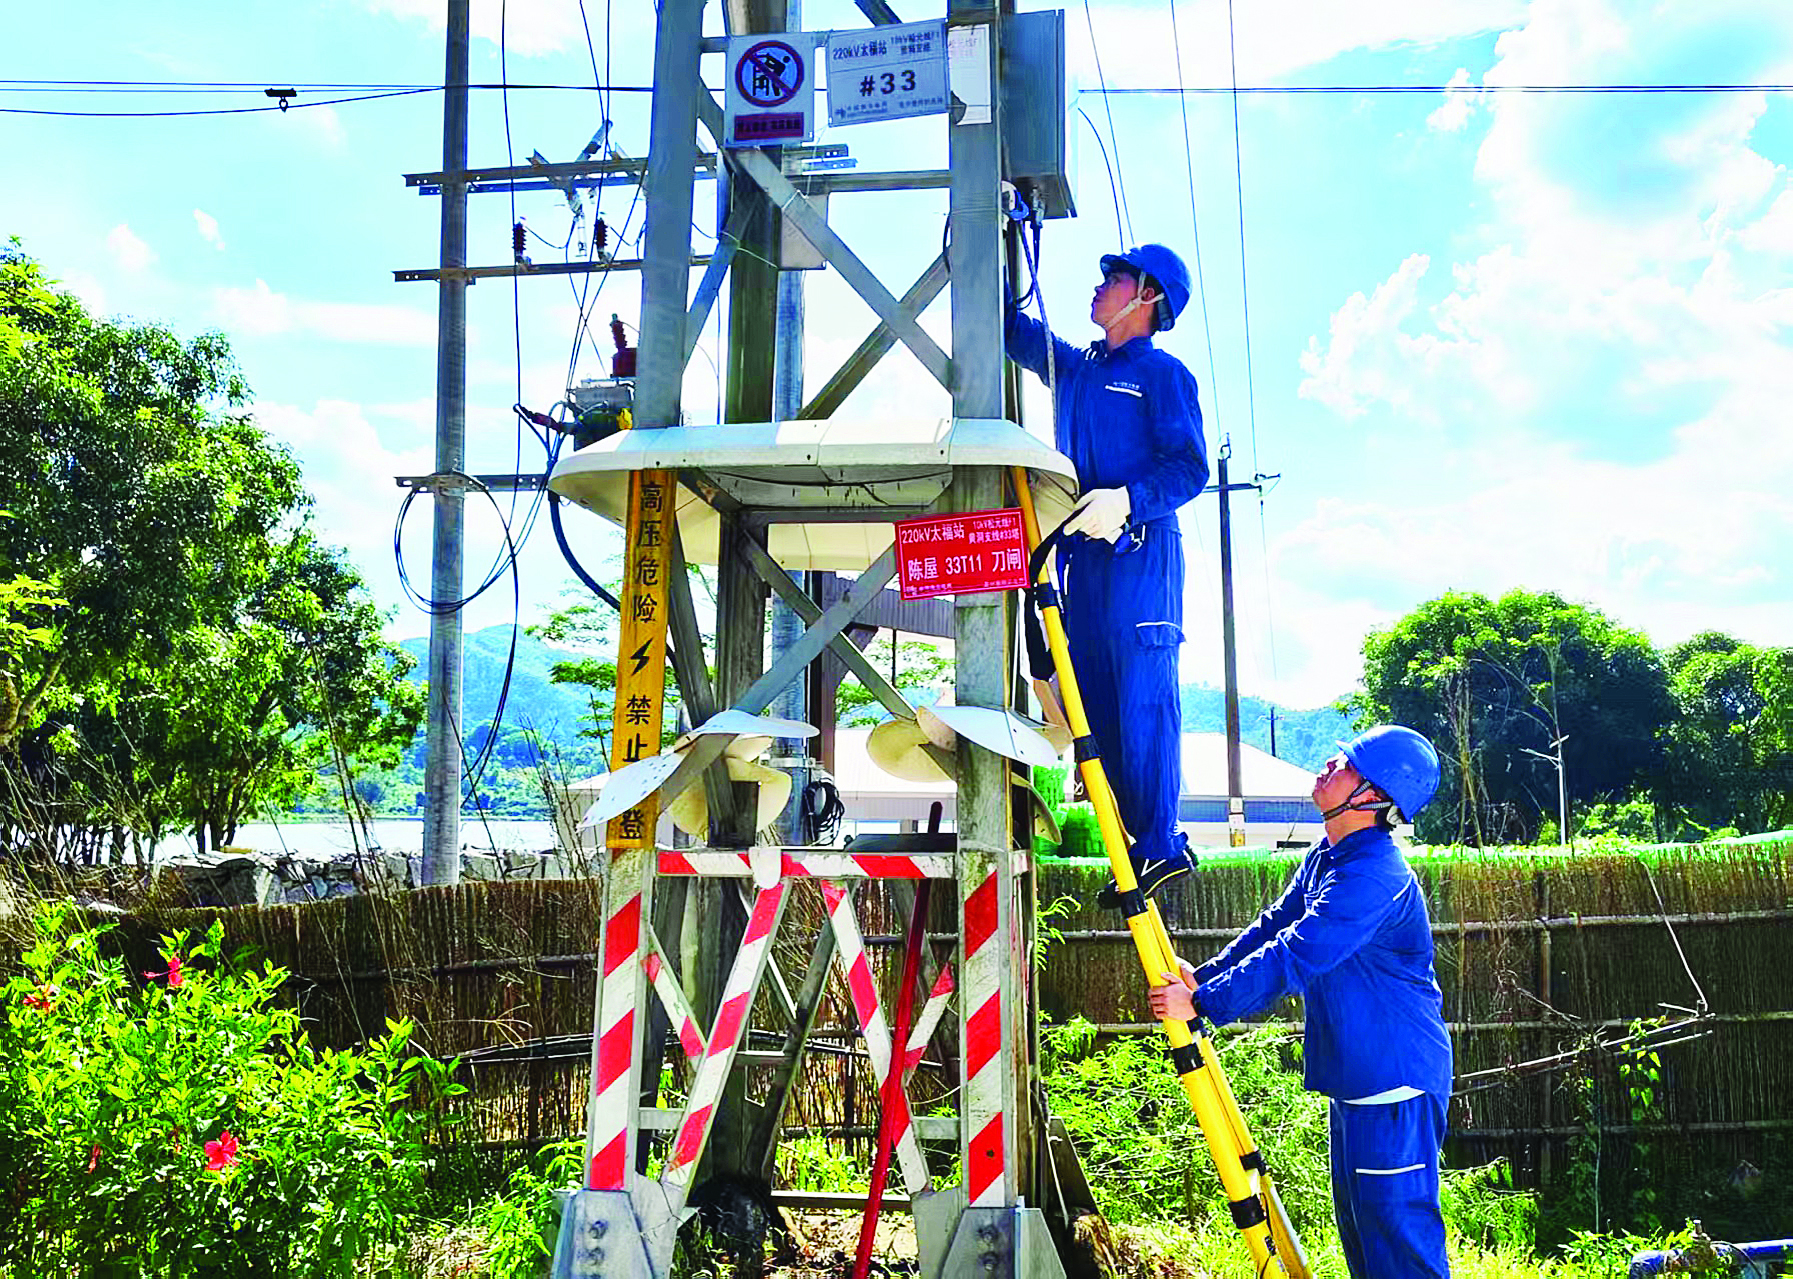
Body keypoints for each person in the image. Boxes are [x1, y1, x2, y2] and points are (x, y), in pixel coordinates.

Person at [1149, 725, 1452, 1279]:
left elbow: (1299, 954)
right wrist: (1205, 980)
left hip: (1395, 1080)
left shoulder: (1375, 874)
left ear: (1374, 797)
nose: (1329, 766)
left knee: (1400, 1244)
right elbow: (1277, 924)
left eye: (1348, 766)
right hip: (1358, 1081)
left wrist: (1207, 1004)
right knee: (1364, 1241)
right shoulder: (1330, 854)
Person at [1006, 244, 1209, 905]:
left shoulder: (1162, 375)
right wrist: (994, 231)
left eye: (1114, 278)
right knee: (1090, 702)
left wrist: (1127, 499)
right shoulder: (1077, 368)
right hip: (1080, 561)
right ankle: (1132, 845)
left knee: (1142, 700)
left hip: (1141, 555)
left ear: (1147, 297)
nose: (1098, 286)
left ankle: (1160, 845)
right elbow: (1016, 334)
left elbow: (1188, 468)